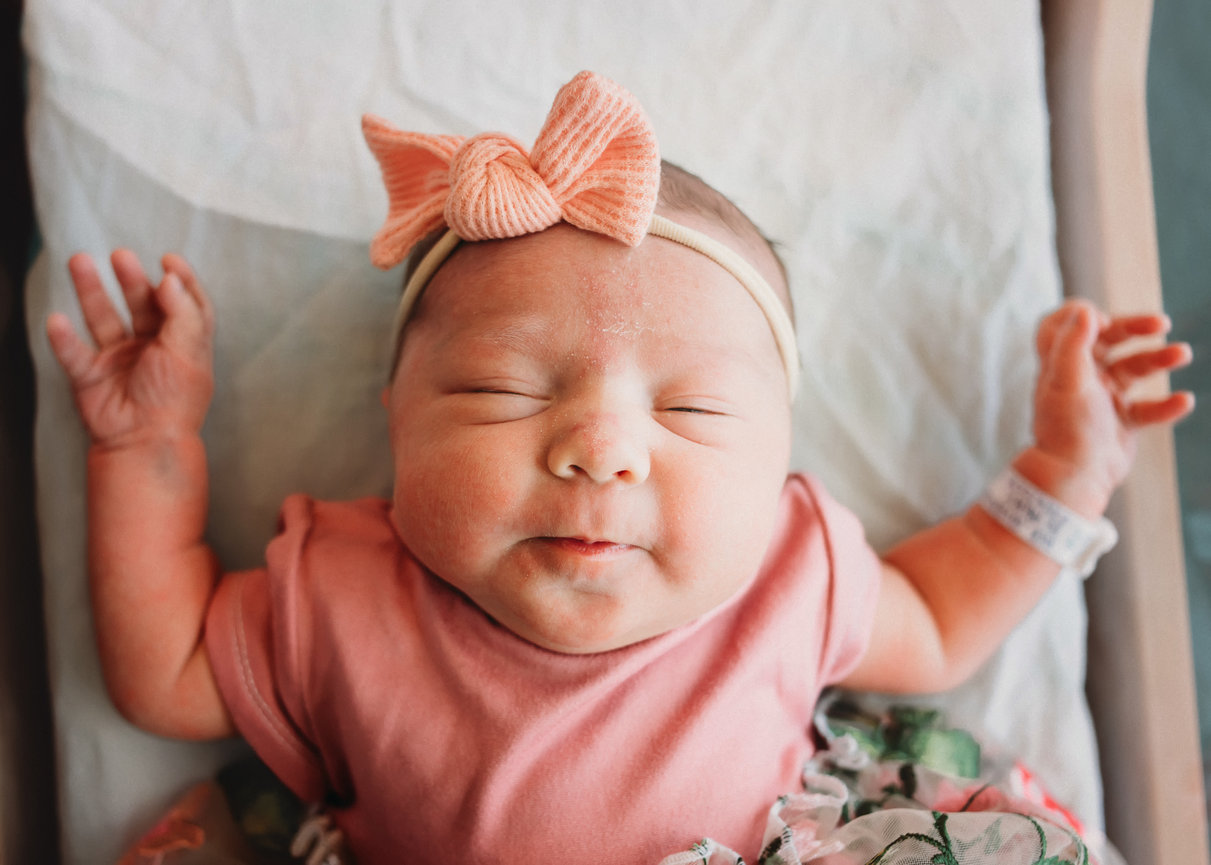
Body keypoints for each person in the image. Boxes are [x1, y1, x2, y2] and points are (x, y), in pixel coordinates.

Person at [45, 71, 1192, 865]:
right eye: (501, 388)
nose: (601, 446)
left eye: (691, 409)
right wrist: (145, 449)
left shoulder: (785, 573)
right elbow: (168, 667)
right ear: (394, 419)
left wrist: (1062, 470)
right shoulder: (341, 590)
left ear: (778, 461)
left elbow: (941, 617)